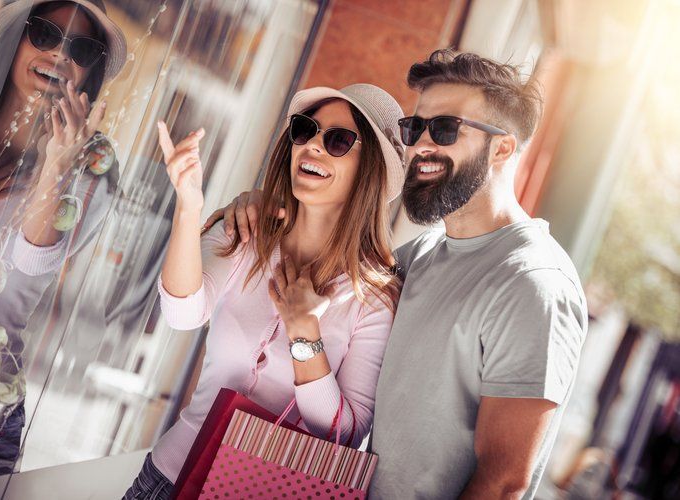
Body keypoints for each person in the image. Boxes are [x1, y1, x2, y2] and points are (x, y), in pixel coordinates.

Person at [206, 49, 588, 499]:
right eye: (415, 128)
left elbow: (504, 483)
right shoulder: (420, 255)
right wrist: (253, 209)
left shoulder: (532, 284)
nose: (423, 145)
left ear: (502, 147)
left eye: (445, 129)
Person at [122, 84, 405, 499]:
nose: (312, 146)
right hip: (167, 480)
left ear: (371, 170)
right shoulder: (245, 231)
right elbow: (183, 313)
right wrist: (188, 206)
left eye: (339, 140)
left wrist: (304, 334)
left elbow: (344, 433)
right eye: (305, 130)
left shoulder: (373, 299)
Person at [0, 0, 125, 484]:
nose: (59, 54)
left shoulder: (93, 162)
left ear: (91, 71)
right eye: (43, 33)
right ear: (15, 36)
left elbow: (29, 265)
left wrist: (56, 165)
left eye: (81, 48)